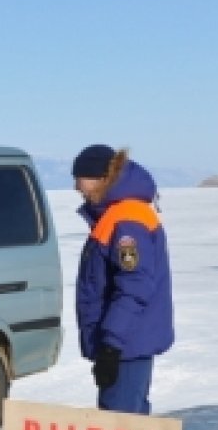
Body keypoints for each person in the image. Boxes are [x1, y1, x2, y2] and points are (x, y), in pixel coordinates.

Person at [72, 144, 174, 414]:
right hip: (125, 342)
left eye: (79, 178)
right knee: (129, 424)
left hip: (127, 345)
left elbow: (134, 286)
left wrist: (111, 346)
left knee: (121, 426)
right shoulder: (117, 216)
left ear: (98, 179)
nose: (75, 187)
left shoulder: (127, 221)